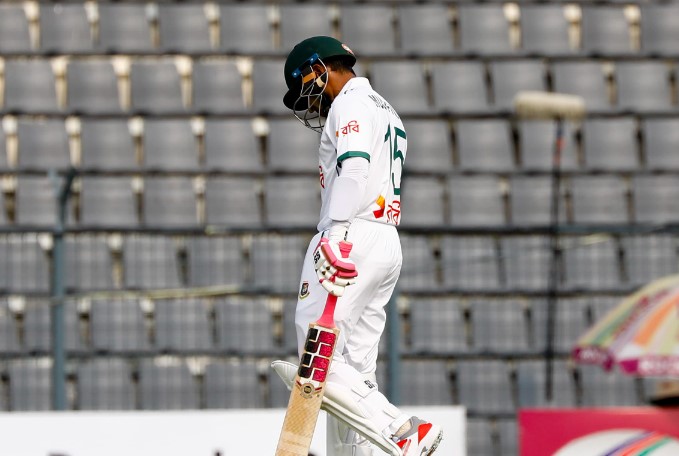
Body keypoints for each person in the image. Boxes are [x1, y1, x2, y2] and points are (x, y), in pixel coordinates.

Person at [281, 35, 444, 456]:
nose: (310, 104)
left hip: (350, 235)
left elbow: (354, 168)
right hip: (385, 240)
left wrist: (335, 236)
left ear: (319, 69)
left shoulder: (349, 103)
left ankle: (401, 428)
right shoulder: (386, 109)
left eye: (305, 88)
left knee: (316, 355)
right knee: (355, 370)